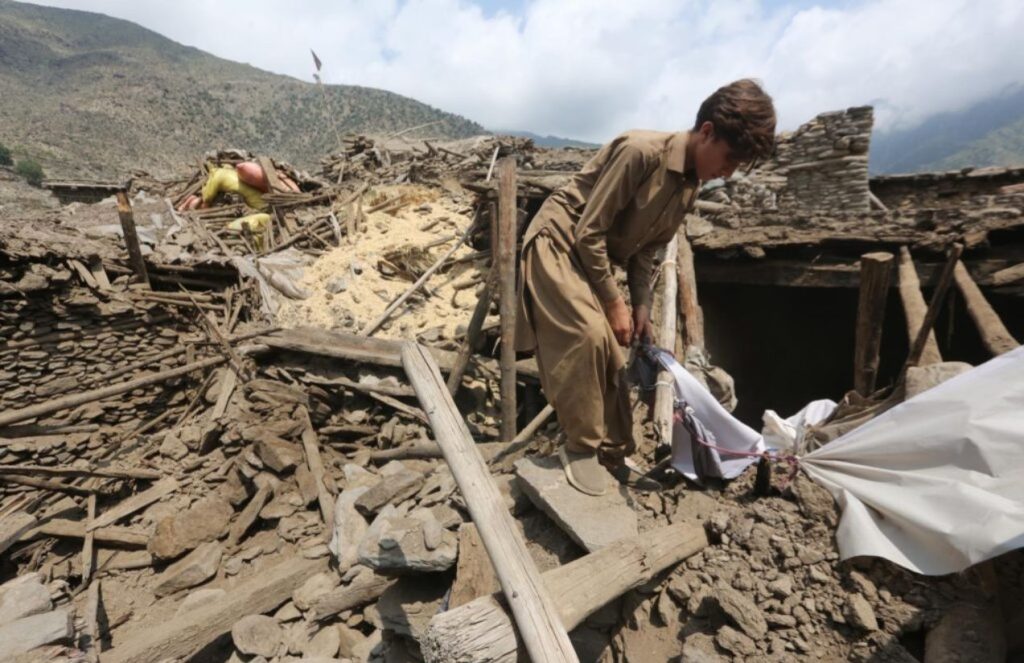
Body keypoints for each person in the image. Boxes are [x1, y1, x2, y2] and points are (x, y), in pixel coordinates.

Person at [515, 79, 776, 496]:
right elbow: (589, 232)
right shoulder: (641, 152)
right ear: (706, 131)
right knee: (588, 337)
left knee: (617, 355)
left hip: (589, 256)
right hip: (559, 243)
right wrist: (614, 303)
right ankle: (580, 448)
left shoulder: (689, 188)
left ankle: (613, 452)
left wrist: (639, 307)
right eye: (728, 160)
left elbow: (645, 252)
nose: (726, 173)